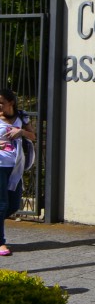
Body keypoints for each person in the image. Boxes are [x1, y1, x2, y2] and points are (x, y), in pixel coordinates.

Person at [0, 89, 36, 257]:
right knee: (2, 205)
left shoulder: (22, 117)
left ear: (11, 103)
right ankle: (1, 243)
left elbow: (33, 136)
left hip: (15, 167)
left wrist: (20, 132)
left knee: (14, 204)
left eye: (1, 103)